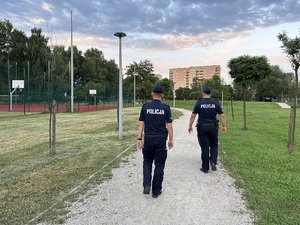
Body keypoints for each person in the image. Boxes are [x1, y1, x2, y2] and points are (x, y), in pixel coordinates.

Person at [137, 85, 174, 198]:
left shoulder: (145, 107)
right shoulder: (166, 108)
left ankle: (147, 185)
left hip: (148, 138)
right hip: (160, 139)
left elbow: (141, 124)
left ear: (152, 93)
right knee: (159, 164)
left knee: (147, 161)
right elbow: (170, 126)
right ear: (162, 95)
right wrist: (171, 139)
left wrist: (139, 139)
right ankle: (156, 191)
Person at [188, 87, 226, 173]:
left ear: (203, 94)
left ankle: (205, 168)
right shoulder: (216, 103)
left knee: (205, 146)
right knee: (213, 144)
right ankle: (213, 161)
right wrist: (224, 126)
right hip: (213, 127)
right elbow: (222, 116)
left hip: (202, 127)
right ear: (210, 94)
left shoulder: (199, 103)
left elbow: (193, 116)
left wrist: (190, 125)